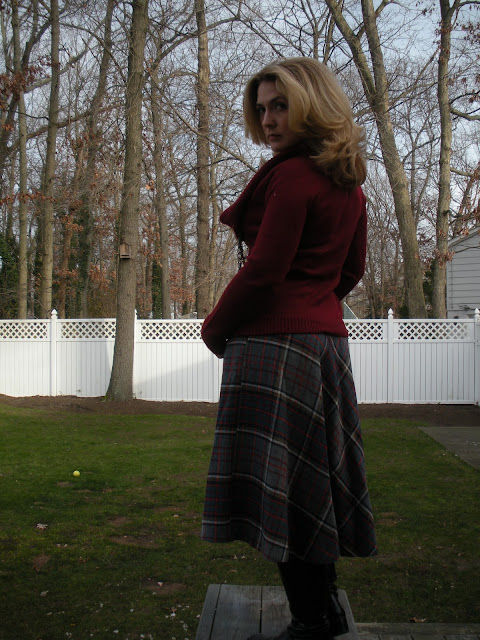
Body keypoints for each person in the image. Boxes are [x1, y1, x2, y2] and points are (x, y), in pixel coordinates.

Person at [200, 57, 377, 640]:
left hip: (275, 349)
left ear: (312, 104)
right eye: (262, 109)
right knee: (310, 483)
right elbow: (351, 270)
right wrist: (314, 304)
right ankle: (324, 610)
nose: (268, 119)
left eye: (280, 105)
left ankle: (309, 622)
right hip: (324, 349)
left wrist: (215, 328)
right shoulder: (347, 183)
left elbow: (265, 269)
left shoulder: (293, 176)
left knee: (285, 487)